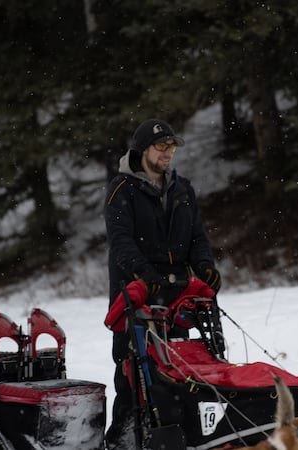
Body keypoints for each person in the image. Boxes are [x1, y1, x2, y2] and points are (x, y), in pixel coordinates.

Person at [103, 118, 222, 448]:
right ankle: (124, 440)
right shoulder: (121, 190)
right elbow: (121, 242)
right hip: (135, 296)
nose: (168, 153)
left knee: (179, 370)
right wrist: (143, 271)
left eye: (171, 147)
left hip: (177, 297)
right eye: (161, 147)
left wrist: (205, 267)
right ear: (143, 150)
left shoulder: (182, 188)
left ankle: (182, 434)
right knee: (132, 376)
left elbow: (197, 236)